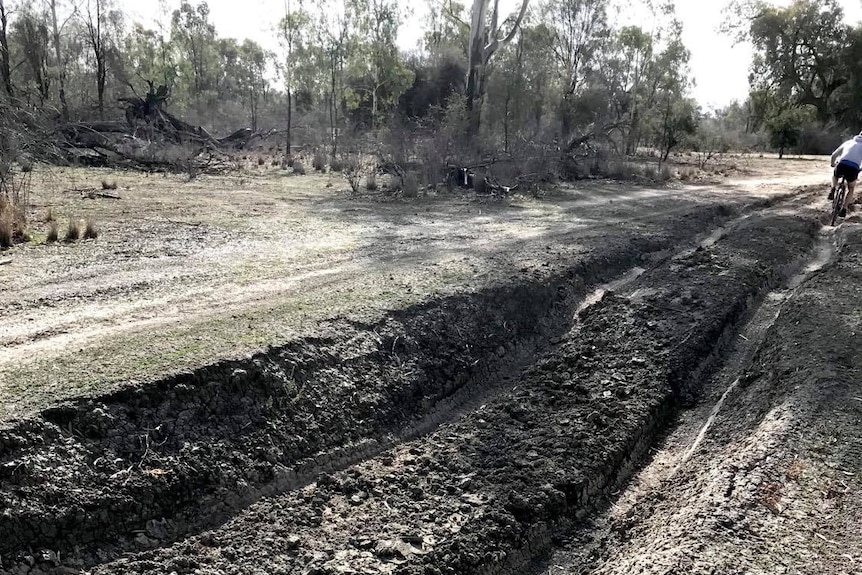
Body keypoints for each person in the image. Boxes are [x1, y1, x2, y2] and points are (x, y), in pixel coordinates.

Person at [829, 132, 862, 218]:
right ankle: (844, 209)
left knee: (835, 176)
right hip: (853, 168)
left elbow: (834, 155)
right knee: (851, 188)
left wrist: (833, 164)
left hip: (842, 164)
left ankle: (833, 189)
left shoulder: (848, 142)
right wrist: (860, 169)